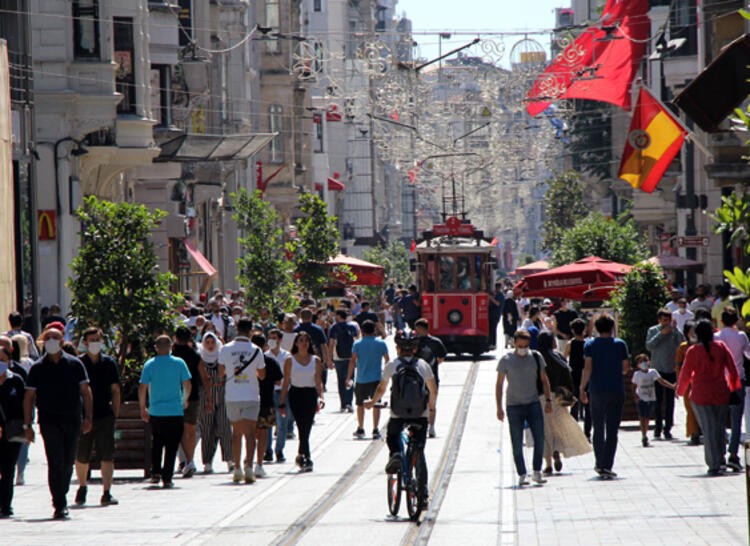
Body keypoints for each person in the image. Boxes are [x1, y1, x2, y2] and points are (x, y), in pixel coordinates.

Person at [23, 327, 93, 519]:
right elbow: (29, 397)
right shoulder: (37, 368)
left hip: (72, 419)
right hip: (49, 420)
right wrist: (27, 425)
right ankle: (59, 503)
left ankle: (61, 493)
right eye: (48, 338)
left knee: (68, 460)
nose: (52, 340)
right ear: (43, 341)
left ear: (63, 341)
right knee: (55, 461)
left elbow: (86, 392)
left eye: (56, 337)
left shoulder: (75, 364)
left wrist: (88, 417)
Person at [365, 331, 437, 506]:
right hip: (420, 414)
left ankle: (396, 453)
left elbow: (382, 388)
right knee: (420, 450)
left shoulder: (392, 365)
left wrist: (372, 401)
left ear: (397, 348)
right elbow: (433, 389)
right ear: (415, 348)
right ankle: (423, 491)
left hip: (398, 413)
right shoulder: (423, 365)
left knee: (393, 435)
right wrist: (431, 407)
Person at [677, 319, 742, 475]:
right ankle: (720, 459)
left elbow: (685, 373)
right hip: (720, 392)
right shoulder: (721, 347)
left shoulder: (693, 351)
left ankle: (713, 463)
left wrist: (680, 390)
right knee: (720, 427)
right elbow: (733, 369)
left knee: (708, 429)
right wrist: (734, 388)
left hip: (700, 395)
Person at [496, 329, 552, 486]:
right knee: (516, 441)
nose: (523, 348)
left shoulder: (536, 356)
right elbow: (499, 384)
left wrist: (548, 400)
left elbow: (544, 379)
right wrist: (499, 407)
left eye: (526, 345)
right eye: (521, 345)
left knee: (540, 438)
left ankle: (536, 471)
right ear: (514, 343)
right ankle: (521, 473)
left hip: (533, 403)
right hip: (514, 406)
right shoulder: (506, 360)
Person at [74, 327, 121, 506]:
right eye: (91, 340)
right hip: (84, 416)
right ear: (85, 343)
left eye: (97, 339)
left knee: (107, 455)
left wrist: (115, 414)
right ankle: (82, 486)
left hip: (104, 415)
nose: (95, 343)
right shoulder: (79, 364)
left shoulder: (109, 363)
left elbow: (115, 390)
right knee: (82, 455)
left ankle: (107, 491)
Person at [580, 314, 629, 480]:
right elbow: (625, 369)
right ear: (612, 327)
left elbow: (587, 368)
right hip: (616, 389)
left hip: (597, 390)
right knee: (613, 429)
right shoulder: (621, 344)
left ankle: (599, 463)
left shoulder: (590, 344)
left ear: (596, 328)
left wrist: (582, 388)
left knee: (598, 427)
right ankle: (607, 465)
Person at [139, 335, 191, 489]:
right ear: (171, 346)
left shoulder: (150, 364)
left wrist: (143, 407)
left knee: (157, 443)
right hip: (175, 410)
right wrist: (184, 399)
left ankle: (155, 473)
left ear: (156, 347)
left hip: (156, 411)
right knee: (172, 445)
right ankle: (167, 477)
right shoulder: (179, 363)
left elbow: (142, 387)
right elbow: (187, 384)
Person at [218, 318, 266, 484]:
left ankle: (237, 468)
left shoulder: (225, 349)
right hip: (251, 395)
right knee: (251, 434)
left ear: (237, 329)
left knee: (236, 434)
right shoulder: (256, 350)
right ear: (251, 330)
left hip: (232, 395)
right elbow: (262, 374)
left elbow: (220, 372)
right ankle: (249, 468)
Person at [537, 332, 589, 475]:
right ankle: (556, 451)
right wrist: (570, 395)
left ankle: (548, 463)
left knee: (545, 430)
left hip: (541, 398)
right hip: (559, 397)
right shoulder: (558, 357)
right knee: (557, 428)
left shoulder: (536, 358)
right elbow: (568, 375)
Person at [279, 331, 325, 472]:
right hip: (296, 394)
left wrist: (321, 397)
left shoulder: (315, 360)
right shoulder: (289, 360)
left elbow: (318, 381)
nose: (304, 343)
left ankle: (302, 454)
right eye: (301, 340)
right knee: (300, 425)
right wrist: (281, 402)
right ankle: (306, 456)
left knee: (307, 426)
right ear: (296, 343)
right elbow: (286, 382)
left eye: (306, 340)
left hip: (310, 394)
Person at [714, 306, 750, 471]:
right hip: (737, 381)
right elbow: (749, 354)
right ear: (736, 321)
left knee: (720, 419)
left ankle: (720, 455)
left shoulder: (716, 337)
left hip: (721, 381)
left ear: (721, 321)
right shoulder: (741, 336)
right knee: (736, 421)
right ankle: (733, 455)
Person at [645, 308, 684, 440]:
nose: (665, 323)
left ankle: (668, 428)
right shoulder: (653, 330)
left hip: (671, 369)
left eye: (667, 320)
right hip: (657, 370)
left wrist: (675, 329)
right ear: (659, 320)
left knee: (670, 402)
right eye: (663, 320)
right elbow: (649, 346)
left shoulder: (674, 331)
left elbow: (682, 343)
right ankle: (657, 427)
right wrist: (661, 334)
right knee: (658, 400)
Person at [196, 332, 233, 473]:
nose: (210, 346)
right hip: (205, 397)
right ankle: (207, 462)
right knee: (207, 430)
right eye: (207, 342)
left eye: (212, 342)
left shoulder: (222, 357)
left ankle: (230, 460)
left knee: (225, 428)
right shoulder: (200, 359)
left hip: (223, 395)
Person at [347, 320, 389, 439]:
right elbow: (387, 360)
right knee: (377, 404)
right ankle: (375, 429)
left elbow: (352, 361)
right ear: (374, 330)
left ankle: (361, 428)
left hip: (361, 379)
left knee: (360, 404)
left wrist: (349, 377)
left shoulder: (357, 344)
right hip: (376, 378)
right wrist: (385, 375)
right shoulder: (381, 343)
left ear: (362, 331)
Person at [250, 334, 283, 478]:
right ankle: (259, 463)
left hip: (248, 401)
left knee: (249, 433)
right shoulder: (270, 361)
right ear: (265, 346)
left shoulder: (244, 360)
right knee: (263, 433)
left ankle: (247, 461)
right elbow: (278, 381)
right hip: (266, 401)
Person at [171, 325, 202, 478]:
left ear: (175, 338)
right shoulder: (195, 355)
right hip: (193, 395)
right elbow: (203, 376)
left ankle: (185, 461)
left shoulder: (170, 355)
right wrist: (208, 396)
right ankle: (189, 460)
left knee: (179, 430)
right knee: (190, 430)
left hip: (174, 395)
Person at [0, 347, 26, 517]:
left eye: (2, 359)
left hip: (12, 431)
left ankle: (6, 505)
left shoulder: (16, 380)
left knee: (8, 469)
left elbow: (25, 405)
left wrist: (27, 427)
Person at [631, 354, 676, 447]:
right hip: (641, 398)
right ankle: (644, 435)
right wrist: (635, 396)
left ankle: (645, 433)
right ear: (638, 365)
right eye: (641, 361)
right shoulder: (637, 374)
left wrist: (672, 386)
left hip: (651, 398)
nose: (644, 363)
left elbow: (661, 381)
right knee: (641, 417)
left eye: (645, 360)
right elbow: (633, 386)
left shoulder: (653, 372)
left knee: (646, 417)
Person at [413, 318, 446, 438]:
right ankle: (429, 427)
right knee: (430, 404)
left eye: (417, 329)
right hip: (431, 376)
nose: (415, 331)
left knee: (428, 404)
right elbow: (442, 358)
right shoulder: (436, 342)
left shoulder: (416, 341)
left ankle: (430, 426)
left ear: (421, 329)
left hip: (421, 377)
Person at [266, 329, 292, 462]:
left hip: (283, 392)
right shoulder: (265, 356)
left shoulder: (286, 356)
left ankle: (279, 450)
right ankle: (267, 451)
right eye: (270, 337)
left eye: (274, 337)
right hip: (269, 392)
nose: (272, 340)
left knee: (282, 424)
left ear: (280, 340)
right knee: (268, 423)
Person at [675, 321, 702, 445]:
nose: (693, 333)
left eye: (695, 330)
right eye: (690, 331)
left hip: (701, 382)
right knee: (690, 408)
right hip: (688, 382)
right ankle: (694, 433)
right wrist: (679, 382)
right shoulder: (683, 347)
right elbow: (678, 366)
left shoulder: (703, 346)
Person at [328, 309, 360, 413]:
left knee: (341, 381)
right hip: (351, 358)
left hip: (338, 358)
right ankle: (349, 403)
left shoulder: (334, 328)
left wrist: (329, 358)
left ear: (338, 316)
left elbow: (331, 343)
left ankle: (342, 404)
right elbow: (356, 342)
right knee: (350, 379)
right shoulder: (352, 327)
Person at [565, 318, 591, 439]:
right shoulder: (588, 344)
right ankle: (587, 433)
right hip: (587, 376)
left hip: (573, 376)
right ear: (584, 329)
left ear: (572, 330)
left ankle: (575, 433)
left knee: (573, 405)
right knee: (588, 406)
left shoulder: (570, 344)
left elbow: (564, 359)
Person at [295, 308, 332, 390]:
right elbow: (323, 345)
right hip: (316, 357)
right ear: (311, 317)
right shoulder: (318, 329)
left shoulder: (296, 330)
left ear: (300, 317)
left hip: (300, 358)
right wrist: (326, 359)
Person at [488, 281, 505, 349]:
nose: (496, 289)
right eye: (496, 287)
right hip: (492, 314)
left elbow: (498, 303)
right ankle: (491, 342)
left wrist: (491, 298)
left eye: (498, 288)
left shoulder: (500, 295)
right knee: (491, 329)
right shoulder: (496, 294)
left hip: (496, 314)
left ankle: (493, 343)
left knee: (493, 328)